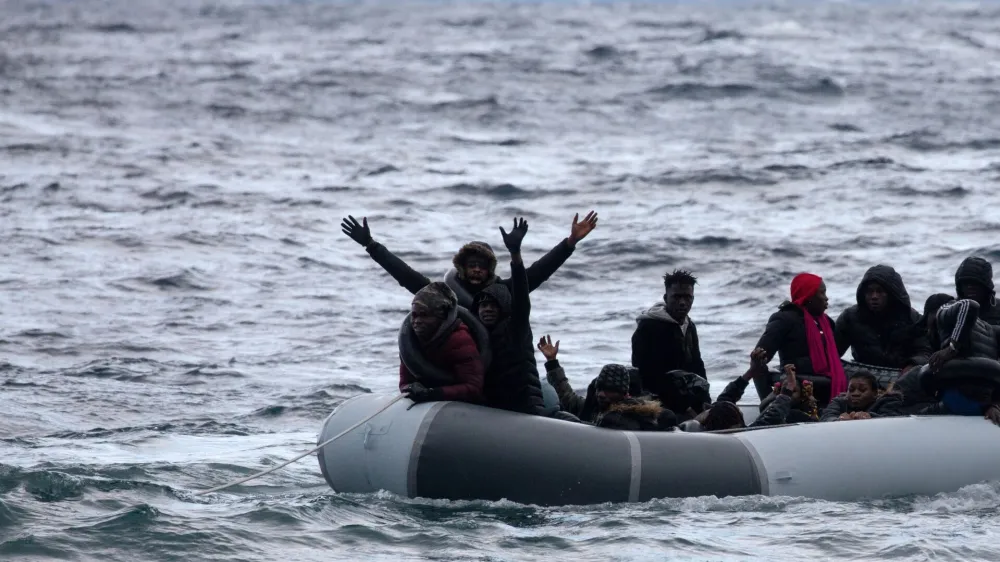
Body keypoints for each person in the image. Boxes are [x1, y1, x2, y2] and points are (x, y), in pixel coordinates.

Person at [340, 211, 599, 307]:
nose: (476, 270)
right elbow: (405, 274)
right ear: (461, 268)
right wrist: (371, 246)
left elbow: (538, 272)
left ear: (490, 271)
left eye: (482, 267)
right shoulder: (443, 295)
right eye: (471, 265)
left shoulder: (506, 292)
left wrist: (570, 242)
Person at [469, 218, 546, 415]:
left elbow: (521, 297)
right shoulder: (474, 331)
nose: (487, 309)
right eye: (483, 305)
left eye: (493, 306)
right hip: (495, 411)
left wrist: (515, 255)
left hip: (526, 409)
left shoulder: (515, 328)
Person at [751, 272, 846, 404]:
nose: (826, 298)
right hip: (797, 389)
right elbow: (757, 363)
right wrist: (767, 401)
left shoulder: (827, 322)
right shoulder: (783, 319)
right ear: (809, 296)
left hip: (828, 386)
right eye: (822, 293)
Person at [398, 282, 484, 404]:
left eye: (424, 315)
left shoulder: (460, 340)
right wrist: (410, 388)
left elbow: (474, 387)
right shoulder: (409, 341)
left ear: (442, 317)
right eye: (415, 315)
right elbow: (405, 382)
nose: (417, 322)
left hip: (463, 405)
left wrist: (432, 393)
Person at [834, 265, 929, 371]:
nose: (874, 296)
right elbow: (832, 353)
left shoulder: (912, 319)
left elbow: (925, 351)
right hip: (862, 374)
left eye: (880, 291)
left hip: (902, 374)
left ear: (891, 294)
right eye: (869, 291)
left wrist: (912, 364)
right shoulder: (850, 318)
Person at [631, 269, 707, 400]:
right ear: (666, 298)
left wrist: (706, 399)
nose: (682, 302)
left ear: (693, 299)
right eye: (676, 297)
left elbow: (697, 365)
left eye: (687, 297)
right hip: (655, 399)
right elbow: (646, 373)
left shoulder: (689, 326)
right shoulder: (649, 327)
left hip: (684, 395)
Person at [537, 335, 644, 423]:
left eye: (608, 390)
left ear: (625, 394)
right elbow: (566, 396)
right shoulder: (591, 408)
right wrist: (552, 362)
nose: (601, 394)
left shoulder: (636, 419)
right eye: (599, 388)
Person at [820, 371, 903, 421]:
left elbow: (892, 418)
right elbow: (826, 417)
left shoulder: (887, 402)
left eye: (862, 390)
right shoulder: (839, 402)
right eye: (851, 390)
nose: (855, 393)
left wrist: (870, 417)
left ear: (875, 393)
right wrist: (839, 420)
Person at [955, 257, 1000, 338]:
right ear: (960, 287)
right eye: (965, 283)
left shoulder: (998, 308)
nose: (970, 287)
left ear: (986, 287)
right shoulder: (950, 311)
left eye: (975, 283)